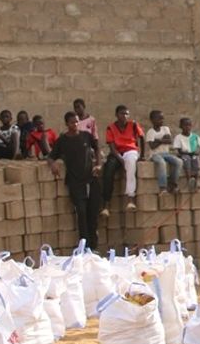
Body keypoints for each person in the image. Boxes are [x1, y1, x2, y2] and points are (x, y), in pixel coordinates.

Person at [47, 111, 103, 251]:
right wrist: (52, 164)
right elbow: (51, 156)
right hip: (75, 182)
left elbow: (97, 149)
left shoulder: (86, 136)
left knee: (93, 214)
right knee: (82, 214)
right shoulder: (63, 140)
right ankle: (85, 247)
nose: (76, 124)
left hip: (91, 180)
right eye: (72, 122)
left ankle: (94, 247)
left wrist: (98, 164)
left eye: (77, 122)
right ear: (67, 124)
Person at [101, 105, 144, 214]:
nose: (124, 116)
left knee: (130, 165)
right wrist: (120, 159)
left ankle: (130, 198)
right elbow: (112, 147)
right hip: (117, 153)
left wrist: (142, 155)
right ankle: (106, 204)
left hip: (131, 150)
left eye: (126, 114)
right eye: (122, 113)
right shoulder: (111, 128)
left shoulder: (133, 125)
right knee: (108, 170)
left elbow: (142, 138)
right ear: (116, 115)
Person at [146, 110, 182, 194]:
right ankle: (163, 187)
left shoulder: (166, 129)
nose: (161, 121)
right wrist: (163, 140)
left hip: (166, 153)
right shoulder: (150, 132)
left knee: (179, 162)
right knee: (161, 163)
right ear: (152, 120)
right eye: (159, 119)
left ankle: (173, 185)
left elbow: (169, 141)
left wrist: (158, 140)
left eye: (162, 119)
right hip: (155, 154)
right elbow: (152, 146)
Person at [173, 117, 200, 191]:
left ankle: (196, 181)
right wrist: (188, 153)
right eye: (185, 125)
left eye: (189, 125)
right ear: (181, 126)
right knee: (187, 161)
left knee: (196, 162)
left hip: (193, 154)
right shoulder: (178, 137)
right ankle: (189, 180)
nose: (187, 127)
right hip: (184, 154)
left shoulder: (195, 136)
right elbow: (179, 150)